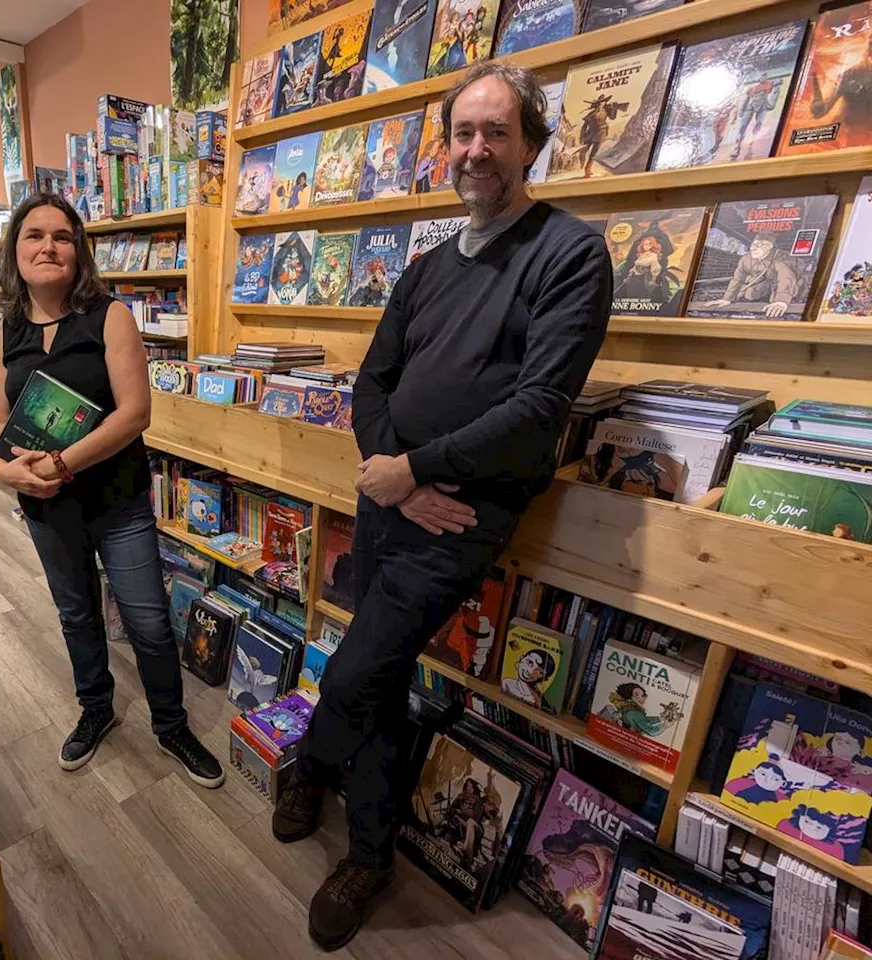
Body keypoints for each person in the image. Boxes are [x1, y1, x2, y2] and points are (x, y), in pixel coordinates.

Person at [270, 61, 612, 950]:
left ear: (531, 144)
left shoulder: (570, 252)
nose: (477, 150)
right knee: (376, 681)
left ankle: (309, 763)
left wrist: (416, 471)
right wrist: (394, 472)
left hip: (459, 519)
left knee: (351, 674)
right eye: (464, 133)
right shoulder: (423, 268)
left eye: (497, 133)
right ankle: (372, 855)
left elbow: (540, 410)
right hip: (394, 500)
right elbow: (372, 380)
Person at [0, 192, 224, 788]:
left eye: (62, 236)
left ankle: (170, 724)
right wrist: (1, 468)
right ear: (15, 249)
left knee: (147, 619)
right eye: (34, 235)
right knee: (76, 615)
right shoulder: (1, 334)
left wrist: (60, 463)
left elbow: (135, 413)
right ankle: (96, 710)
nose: (48, 246)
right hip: (45, 511)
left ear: (79, 250)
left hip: (118, 503)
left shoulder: (108, 316)